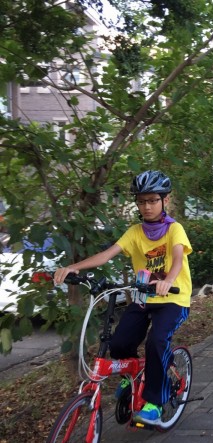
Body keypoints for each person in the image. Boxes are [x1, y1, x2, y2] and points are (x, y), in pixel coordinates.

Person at [53, 170, 192, 426]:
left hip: (173, 299)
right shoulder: (135, 232)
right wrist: (76, 267)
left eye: (152, 200)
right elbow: (108, 254)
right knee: (118, 343)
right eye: (141, 201)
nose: (147, 206)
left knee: (157, 342)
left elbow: (178, 258)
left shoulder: (175, 229)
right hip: (143, 299)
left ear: (165, 201)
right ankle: (130, 378)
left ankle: (154, 403)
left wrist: (168, 280)